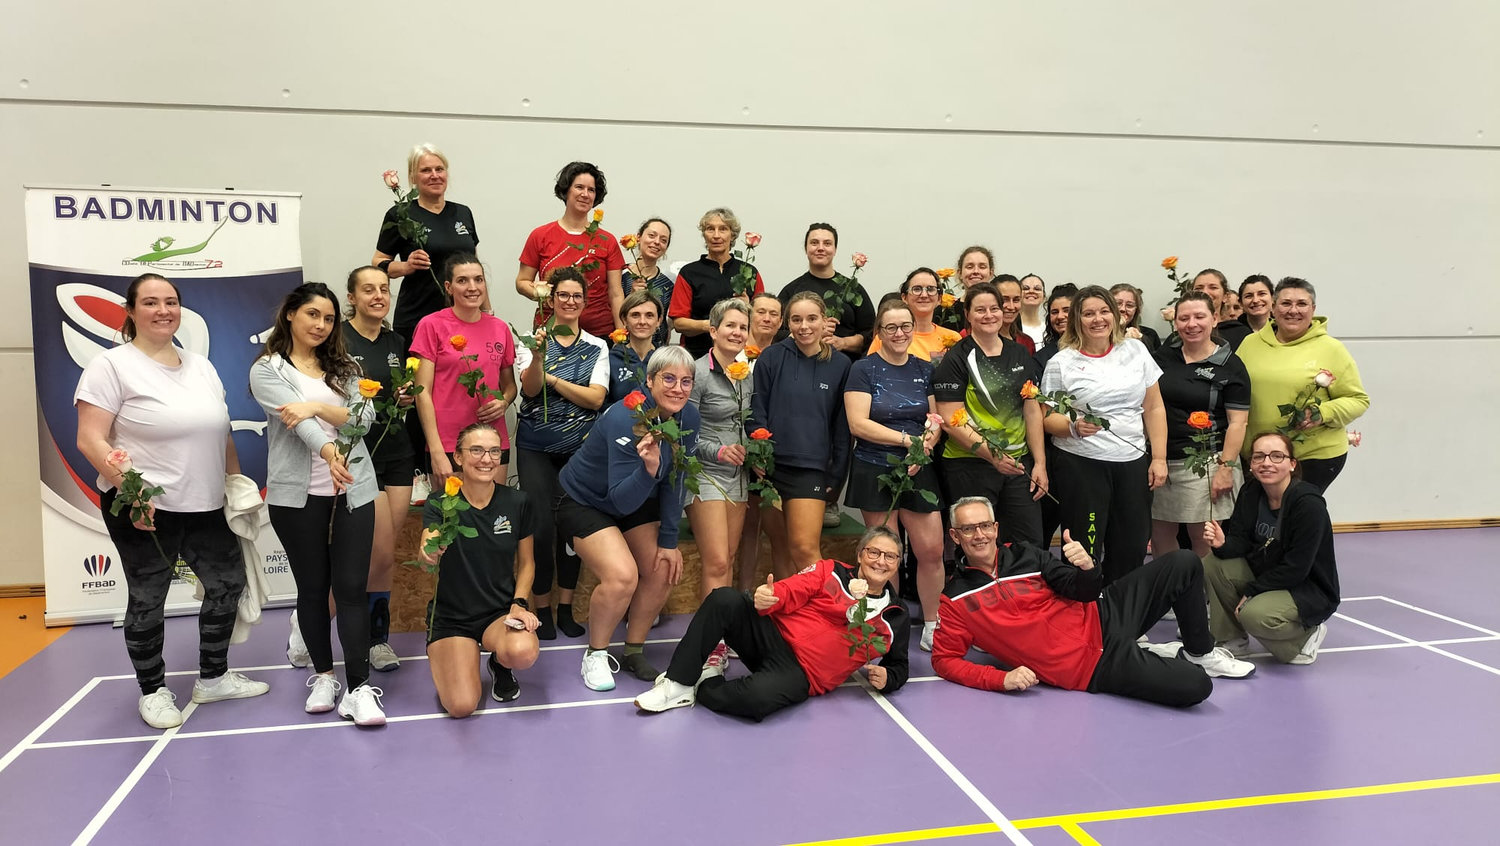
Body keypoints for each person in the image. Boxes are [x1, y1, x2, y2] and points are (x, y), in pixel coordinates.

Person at [74, 273, 269, 729]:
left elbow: (221, 433)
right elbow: (90, 439)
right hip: (144, 508)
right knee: (148, 599)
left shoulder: (201, 366)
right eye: (150, 302)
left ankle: (213, 678)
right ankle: (153, 690)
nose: (163, 310)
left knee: (227, 586)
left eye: (171, 302)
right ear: (130, 311)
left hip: (207, 505)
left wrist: (235, 484)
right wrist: (132, 491)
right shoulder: (111, 366)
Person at [932, 497, 1253, 705]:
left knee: (1184, 562)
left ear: (995, 528)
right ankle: (1155, 656)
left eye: (984, 526)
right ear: (955, 536)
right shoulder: (956, 599)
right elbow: (944, 660)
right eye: (968, 529)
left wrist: (1087, 568)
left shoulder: (1025, 555)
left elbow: (1081, 591)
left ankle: (1199, 651)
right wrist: (1001, 679)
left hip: (1102, 612)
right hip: (1092, 666)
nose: (979, 535)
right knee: (1196, 687)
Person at [250, 282, 384, 726]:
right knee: (311, 588)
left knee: (351, 588)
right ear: (290, 313)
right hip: (296, 496)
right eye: (312, 314)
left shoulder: (346, 368)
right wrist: (328, 451)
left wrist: (319, 408)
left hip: (353, 490)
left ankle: (359, 690)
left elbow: (364, 419)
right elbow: (295, 421)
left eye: (328, 318)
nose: (321, 325)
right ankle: (324, 677)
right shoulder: (267, 370)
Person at [633, 526, 911, 720]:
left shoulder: (896, 616)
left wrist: (889, 679)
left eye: (890, 556)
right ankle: (678, 683)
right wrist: (770, 596)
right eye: (874, 552)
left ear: (898, 563)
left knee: (756, 700)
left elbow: (899, 665)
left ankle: (706, 683)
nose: (880, 561)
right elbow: (794, 588)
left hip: (802, 674)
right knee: (724, 599)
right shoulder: (830, 570)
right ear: (860, 554)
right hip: (771, 635)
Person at [558, 345, 701, 688]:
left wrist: (669, 541)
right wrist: (649, 470)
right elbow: (620, 501)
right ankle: (595, 655)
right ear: (649, 380)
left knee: (663, 566)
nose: (678, 388)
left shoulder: (688, 417)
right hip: (585, 501)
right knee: (622, 576)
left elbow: (677, 479)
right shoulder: (626, 416)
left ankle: (634, 650)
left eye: (686, 381)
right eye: (668, 379)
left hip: (635, 497)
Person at [1041, 285, 1167, 585]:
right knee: (1083, 545)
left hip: (1132, 462)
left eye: (1104, 311)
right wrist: (1072, 427)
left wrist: (1159, 458)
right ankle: (1084, 607)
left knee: (1132, 544)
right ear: (1077, 320)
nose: (1098, 319)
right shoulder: (1061, 362)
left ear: (1115, 315)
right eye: (1088, 314)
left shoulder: (1136, 350)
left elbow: (1154, 407)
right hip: (1082, 465)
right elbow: (1045, 418)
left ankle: (1121, 609)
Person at [419, 424, 541, 715]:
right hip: (452, 618)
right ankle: (460, 656)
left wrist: (519, 603)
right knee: (461, 706)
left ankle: (499, 662)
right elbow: (425, 554)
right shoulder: (440, 502)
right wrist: (429, 552)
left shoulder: (518, 502)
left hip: (499, 613)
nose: (486, 459)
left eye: (494, 451)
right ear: (458, 457)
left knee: (522, 651)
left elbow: (527, 563)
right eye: (476, 450)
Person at [515, 268, 610, 639]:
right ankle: (542, 609)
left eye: (577, 296)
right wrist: (539, 360)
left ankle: (567, 608)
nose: (570, 301)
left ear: (585, 302)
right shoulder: (530, 341)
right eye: (563, 295)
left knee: (572, 529)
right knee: (540, 528)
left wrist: (552, 380)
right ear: (551, 299)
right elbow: (529, 389)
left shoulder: (597, 346)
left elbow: (596, 398)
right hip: (535, 448)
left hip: (578, 451)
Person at [845, 300, 944, 650]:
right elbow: (858, 424)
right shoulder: (863, 369)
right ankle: (889, 623)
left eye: (905, 326)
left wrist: (924, 446)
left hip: (918, 466)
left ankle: (932, 624)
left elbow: (935, 419)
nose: (899, 333)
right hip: (874, 466)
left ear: (913, 329)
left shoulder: (925, 368)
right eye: (891, 327)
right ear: (879, 332)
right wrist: (907, 441)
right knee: (885, 553)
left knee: (931, 550)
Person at [1201, 432, 1341, 664]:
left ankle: (1306, 636)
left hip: (1306, 587)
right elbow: (1242, 541)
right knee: (1213, 564)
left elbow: (1297, 568)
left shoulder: (1308, 505)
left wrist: (1251, 592)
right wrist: (1223, 544)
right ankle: (1232, 640)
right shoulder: (1250, 491)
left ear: (1292, 464)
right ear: (1251, 464)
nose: (1266, 463)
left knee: (1253, 615)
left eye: (1277, 456)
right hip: (1268, 573)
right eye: (1259, 457)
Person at [341, 266, 418, 672]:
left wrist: (405, 399)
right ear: (351, 297)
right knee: (372, 552)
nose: (378, 296)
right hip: (358, 454)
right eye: (368, 290)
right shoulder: (337, 339)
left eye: (384, 289)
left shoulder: (396, 341)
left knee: (385, 555)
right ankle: (313, 621)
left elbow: (403, 394)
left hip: (397, 451)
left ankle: (378, 640)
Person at [934, 282, 1047, 548]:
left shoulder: (1019, 352)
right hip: (970, 465)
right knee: (978, 544)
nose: (989, 315)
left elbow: (1031, 410)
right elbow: (950, 421)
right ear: (968, 315)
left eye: (994, 308)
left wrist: (1040, 463)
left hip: (1018, 463)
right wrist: (993, 456)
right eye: (980, 310)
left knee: (1029, 543)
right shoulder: (956, 358)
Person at [750, 292, 852, 579]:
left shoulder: (841, 365)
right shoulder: (771, 357)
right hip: (770, 469)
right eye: (796, 319)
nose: (804, 326)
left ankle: (824, 606)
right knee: (780, 547)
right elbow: (757, 410)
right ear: (788, 323)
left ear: (824, 321)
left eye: (811, 318)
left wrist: (837, 474)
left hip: (810, 470)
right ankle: (789, 608)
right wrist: (759, 455)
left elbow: (842, 426)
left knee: (805, 549)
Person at [1235, 277, 1369, 492]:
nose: (1293, 310)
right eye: (1286, 303)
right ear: (1273, 307)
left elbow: (1358, 400)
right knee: (1261, 512)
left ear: (1313, 309)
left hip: (1311, 457)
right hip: (1259, 458)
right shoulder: (1250, 344)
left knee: (1296, 510)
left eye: (1302, 304)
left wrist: (1322, 413)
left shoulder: (1331, 349)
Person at [1150, 293, 1251, 559]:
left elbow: (1238, 422)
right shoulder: (1162, 357)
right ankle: (1170, 582)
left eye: (1199, 316)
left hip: (1206, 463)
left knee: (1202, 537)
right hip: (1161, 461)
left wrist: (1226, 468)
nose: (1191, 324)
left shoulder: (1230, 365)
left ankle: (1201, 586)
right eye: (1184, 318)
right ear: (1175, 323)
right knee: (1160, 535)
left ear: (1215, 319)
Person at [410, 254, 517, 490]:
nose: (472, 287)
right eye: (462, 281)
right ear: (449, 287)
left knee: (493, 510)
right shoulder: (431, 325)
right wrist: (436, 450)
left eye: (478, 279)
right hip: (449, 443)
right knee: (451, 512)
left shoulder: (500, 328)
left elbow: (510, 387)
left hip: (492, 441)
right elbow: (422, 392)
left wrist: (504, 402)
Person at [372, 143, 481, 354]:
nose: (434, 175)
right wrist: (406, 266)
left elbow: (475, 269)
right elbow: (377, 263)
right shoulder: (400, 214)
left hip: (463, 315)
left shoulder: (463, 213)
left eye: (439, 169)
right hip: (417, 317)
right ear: (413, 177)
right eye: (426, 170)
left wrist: (486, 311)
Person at [687, 300, 754, 605]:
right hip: (704, 473)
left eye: (743, 327)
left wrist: (755, 453)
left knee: (727, 558)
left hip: (738, 476)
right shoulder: (697, 372)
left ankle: (722, 627)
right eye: (730, 325)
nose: (737, 332)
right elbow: (685, 433)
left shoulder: (748, 373)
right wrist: (719, 451)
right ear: (713, 331)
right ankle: (710, 631)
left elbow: (749, 423)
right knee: (716, 562)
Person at [515, 161, 626, 339]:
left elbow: (616, 293)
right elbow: (522, 281)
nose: (585, 194)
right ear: (566, 190)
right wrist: (540, 292)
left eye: (591, 190)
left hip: (599, 333)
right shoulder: (540, 235)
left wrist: (622, 335)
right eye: (579, 187)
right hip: (550, 332)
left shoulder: (607, 241)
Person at [669, 207, 766, 359]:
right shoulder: (689, 273)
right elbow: (679, 323)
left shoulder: (749, 272)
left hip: (739, 356)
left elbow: (762, 320)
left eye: (723, 229)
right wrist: (711, 325)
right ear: (704, 235)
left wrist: (748, 308)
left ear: (732, 235)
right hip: (696, 356)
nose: (716, 235)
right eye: (710, 229)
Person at [737, 292, 784, 589]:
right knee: (745, 529)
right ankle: (742, 593)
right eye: (761, 312)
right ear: (750, 315)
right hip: (735, 451)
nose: (766, 318)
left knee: (773, 529)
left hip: (771, 455)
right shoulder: (734, 356)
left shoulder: (785, 357)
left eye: (773, 314)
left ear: (781, 322)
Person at [777, 222, 875, 364]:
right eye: (814, 243)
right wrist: (811, 333)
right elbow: (777, 333)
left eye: (827, 243)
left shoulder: (853, 290)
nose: (820, 248)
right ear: (806, 248)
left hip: (845, 368)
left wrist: (843, 343)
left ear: (835, 249)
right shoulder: (792, 291)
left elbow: (872, 334)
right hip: (799, 366)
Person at [1034, 283, 1078, 549]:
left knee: (1078, 528)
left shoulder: (1100, 351)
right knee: (1045, 523)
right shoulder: (1043, 357)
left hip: (1091, 452)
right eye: (1054, 311)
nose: (1060, 316)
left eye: (1067, 310)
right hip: (1053, 451)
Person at [867, 268, 962, 363]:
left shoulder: (952, 338)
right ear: (904, 297)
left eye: (930, 289)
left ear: (939, 299)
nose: (924, 295)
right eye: (917, 289)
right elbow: (870, 369)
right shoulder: (888, 337)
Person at [620, 217, 674, 347]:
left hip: (656, 350)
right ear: (638, 237)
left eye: (663, 240)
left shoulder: (668, 283)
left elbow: (667, 324)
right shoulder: (620, 275)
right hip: (623, 347)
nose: (657, 242)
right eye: (652, 236)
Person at [606, 289, 662, 404]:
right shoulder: (610, 359)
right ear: (624, 320)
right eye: (635, 315)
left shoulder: (666, 359)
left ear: (658, 321)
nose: (642, 321)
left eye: (649, 315)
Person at [934, 245, 996, 332]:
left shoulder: (1001, 311)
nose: (976, 271)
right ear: (960, 273)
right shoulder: (944, 312)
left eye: (982, 267)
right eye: (969, 267)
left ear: (991, 273)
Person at [1192, 269, 1251, 349]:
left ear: (1225, 296)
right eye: (1198, 288)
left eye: (1213, 287)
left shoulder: (1241, 334)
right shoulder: (1185, 332)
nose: (1205, 292)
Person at [992, 275, 1037, 355]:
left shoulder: (1026, 342)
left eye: (1016, 300)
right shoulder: (980, 340)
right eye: (1004, 300)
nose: (1011, 307)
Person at [1109, 283, 1160, 351]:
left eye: (1129, 305)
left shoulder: (1150, 335)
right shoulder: (1098, 334)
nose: (1123, 309)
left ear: (1136, 311)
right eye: (1118, 303)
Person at [1018, 274, 1048, 347]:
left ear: (1044, 296)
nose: (1031, 291)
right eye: (1025, 288)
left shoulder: (1049, 329)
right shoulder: (1011, 328)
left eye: (1037, 289)